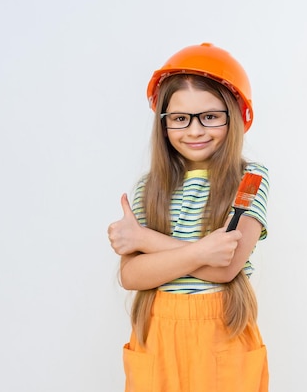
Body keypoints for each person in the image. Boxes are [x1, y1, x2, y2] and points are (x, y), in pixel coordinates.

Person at [108, 42, 270, 392]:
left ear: (237, 116)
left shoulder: (250, 179)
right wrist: (200, 252)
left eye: (210, 117)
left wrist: (145, 241)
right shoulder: (149, 188)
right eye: (180, 119)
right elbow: (132, 275)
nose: (195, 131)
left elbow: (225, 267)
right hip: (157, 331)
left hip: (223, 329)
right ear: (163, 123)